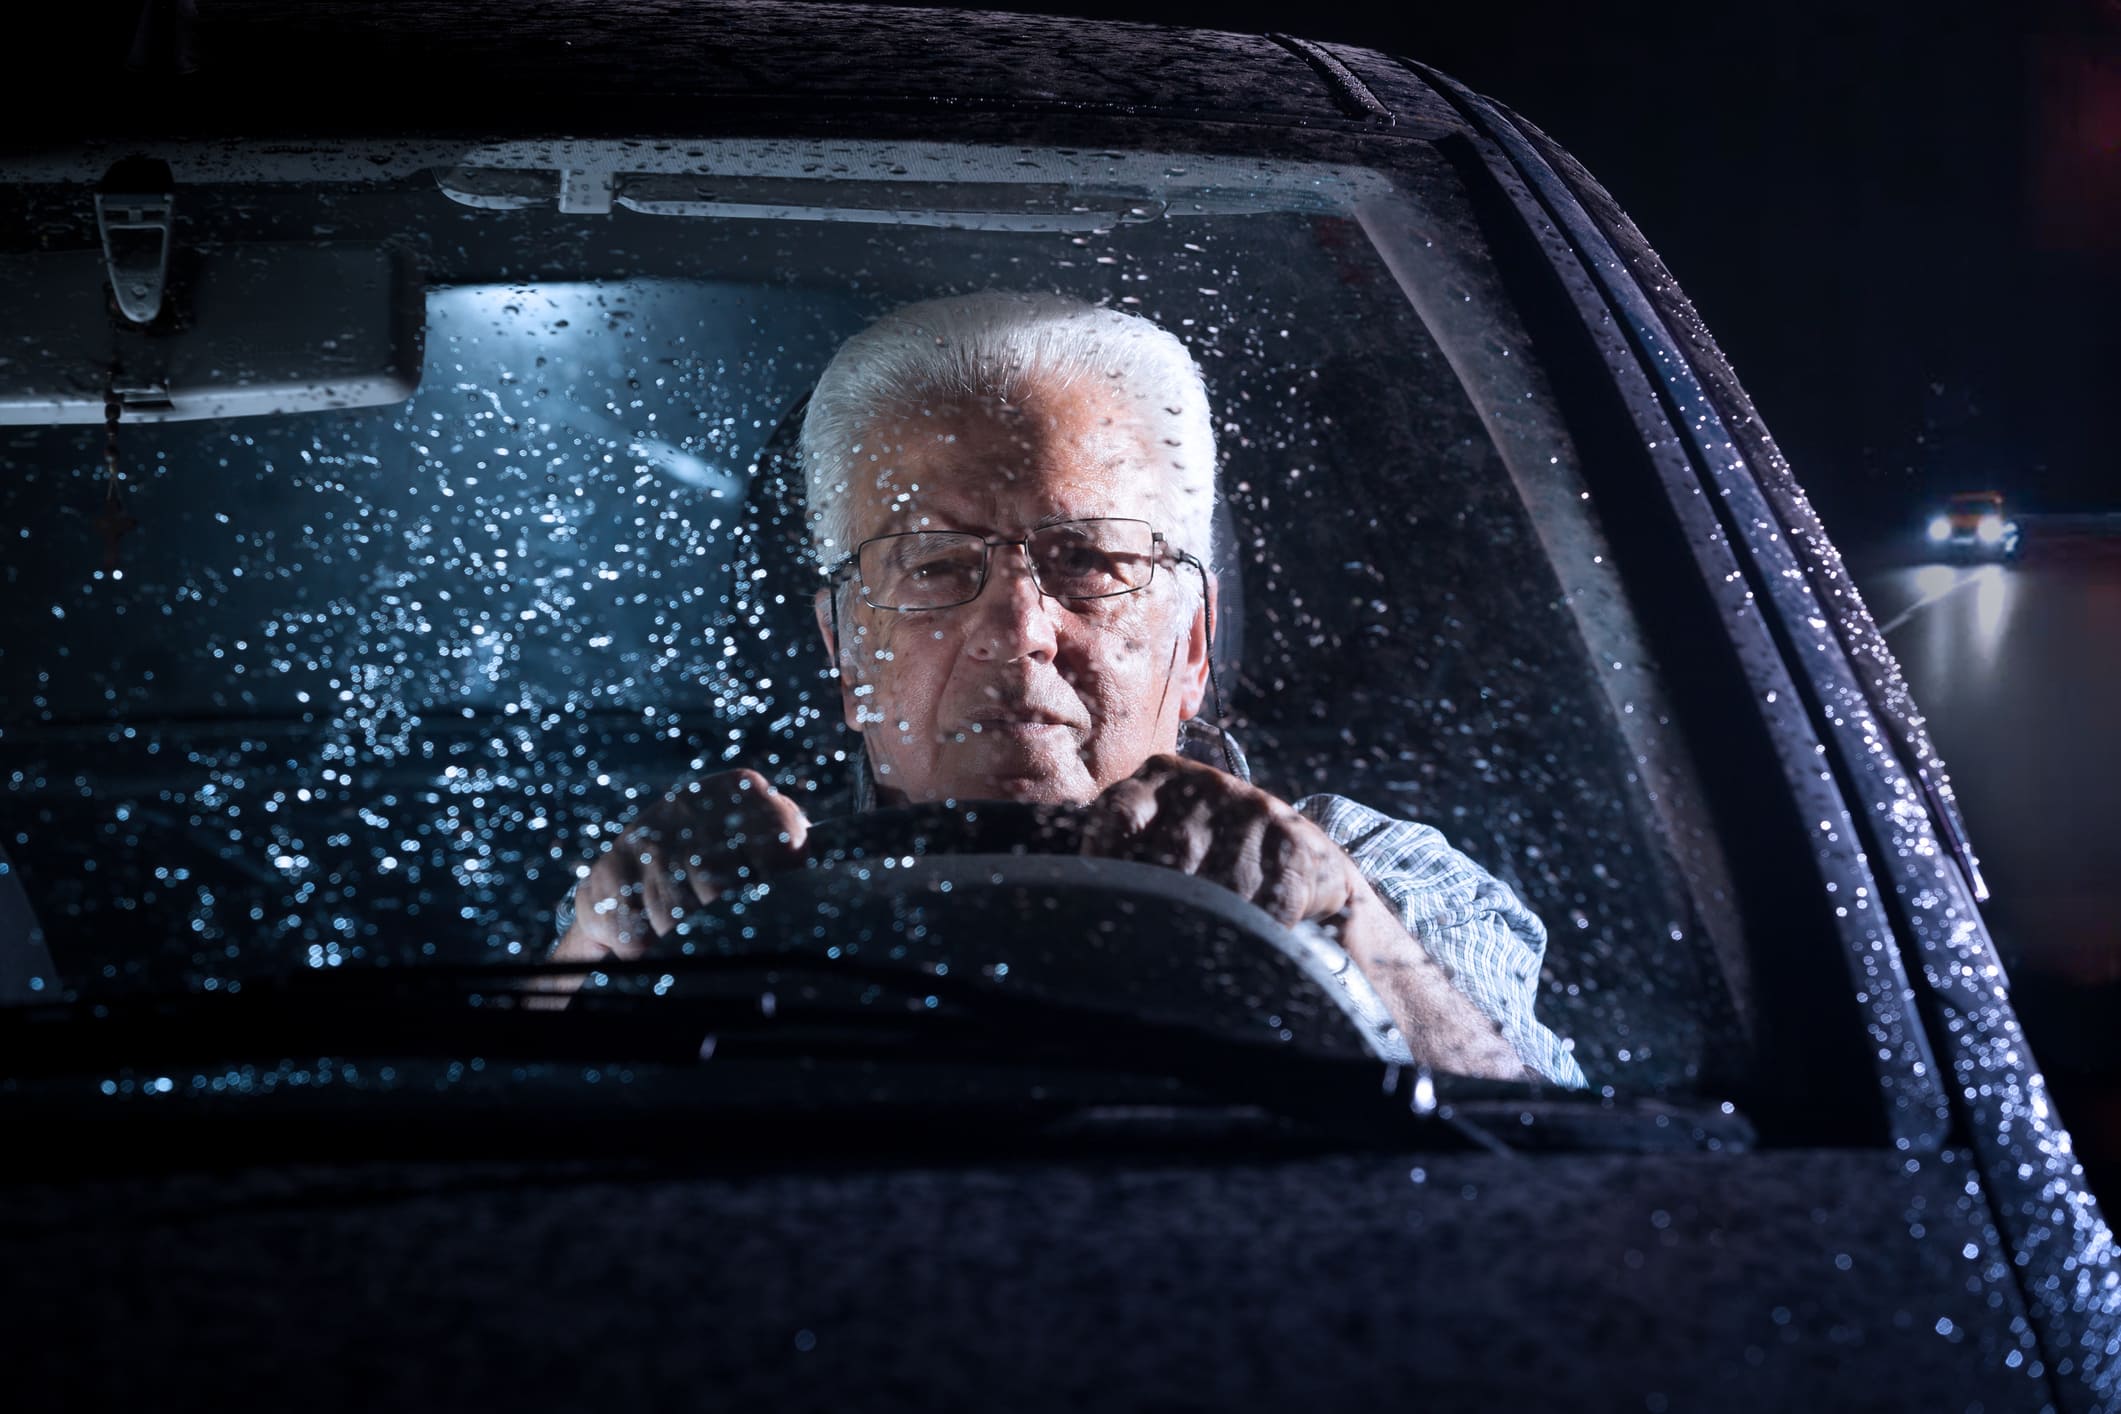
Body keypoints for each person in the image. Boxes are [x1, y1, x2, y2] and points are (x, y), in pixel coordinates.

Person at [548, 291, 1585, 1087]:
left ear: (1194, 643)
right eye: (934, 565)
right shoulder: (709, 900)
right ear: (845, 652)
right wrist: (599, 951)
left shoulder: (1381, 878)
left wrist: (1345, 923)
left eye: (1090, 560)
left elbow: (1568, 1173)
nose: (1017, 631)